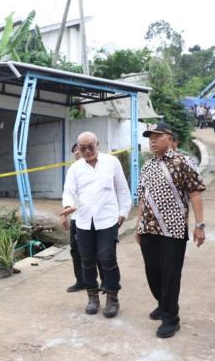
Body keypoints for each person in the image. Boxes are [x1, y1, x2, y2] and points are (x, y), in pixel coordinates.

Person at [136, 123, 206, 338]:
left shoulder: (183, 162)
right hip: (148, 228)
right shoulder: (148, 166)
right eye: (150, 137)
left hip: (173, 230)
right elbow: (142, 197)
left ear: (169, 137)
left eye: (157, 136)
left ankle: (171, 318)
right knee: (152, 270)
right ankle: (163, 303)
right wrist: (139, 226)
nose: (152, 141)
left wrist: (199, 225)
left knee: (170, 274)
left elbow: (195, 193)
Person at [60, 132, 131, 318]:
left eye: (90, 146)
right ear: (78, 149)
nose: (87, 151)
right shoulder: (75, 168)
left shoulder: (111, 162)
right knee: (87, 260)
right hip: (83, 220)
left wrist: (123, 212)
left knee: (107, 257)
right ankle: (92, 297)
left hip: (107, 219)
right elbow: (69, 191)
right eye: (82, 148)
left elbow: (123, 189)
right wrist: (67, 207)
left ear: (97, 144)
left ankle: (112, 297)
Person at [61, 143, 95, 292]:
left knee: (93, 251)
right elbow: (67, 192)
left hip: (91, 216)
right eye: (74, 150)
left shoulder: (94, 169)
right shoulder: (73, 170)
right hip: (75, 217)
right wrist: (65, 214)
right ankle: (80, 280)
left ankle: (98, 281)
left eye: (78, 149)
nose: (76, 152)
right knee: (75, 250)